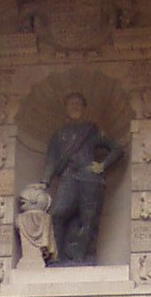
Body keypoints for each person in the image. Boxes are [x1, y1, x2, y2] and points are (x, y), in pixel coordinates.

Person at [42, 92, 124, 265]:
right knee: (58, 214)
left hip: (89, 178)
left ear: (84, 107)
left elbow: (116, 149)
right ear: (65, 108)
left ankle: (83, 257)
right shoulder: (59, 135)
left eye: (78, 103)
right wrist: (45, 181)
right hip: (68, 177)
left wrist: (102, 165)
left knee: (88, 219)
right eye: (71, 103)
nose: (74, 106)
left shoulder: (91, 129)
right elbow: (51, 160)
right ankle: (58, 256)